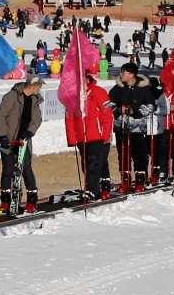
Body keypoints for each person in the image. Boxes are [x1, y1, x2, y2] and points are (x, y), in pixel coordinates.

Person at [0, 75, 44, 213]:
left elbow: (37, 120)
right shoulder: (12, 96)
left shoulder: (34, 100)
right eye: (39, 86)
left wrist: (29, 133)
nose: (40, 89)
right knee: (8, 170)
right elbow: (1, 115)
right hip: (8, 139)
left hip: (23, 141)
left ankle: (32, 199)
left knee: (26, 169)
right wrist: (3, 136)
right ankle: (5, 200)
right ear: (33, 85)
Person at [65, 69, 113, 200]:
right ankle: (101, 186)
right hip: (82, 137)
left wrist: (106, 134)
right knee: (87, 164)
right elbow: (69, 119)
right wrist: (72, 139)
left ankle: (92, 190)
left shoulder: (99, 92)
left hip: (97, 135)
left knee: (94, 163)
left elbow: (107, 115)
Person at [109, 63, 155, 192]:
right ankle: (125, 180)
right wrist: (118, 109)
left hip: (137, 128)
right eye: (122, 72)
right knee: (123, 154)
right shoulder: (117, 89)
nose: (122, 75)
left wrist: (136, 111)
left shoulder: (144, 89)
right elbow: (108, 104)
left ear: (132, 74)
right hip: (121, 127)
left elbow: (151, 106)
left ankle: (140, 180)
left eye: (124, 72)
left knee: (139, 154)